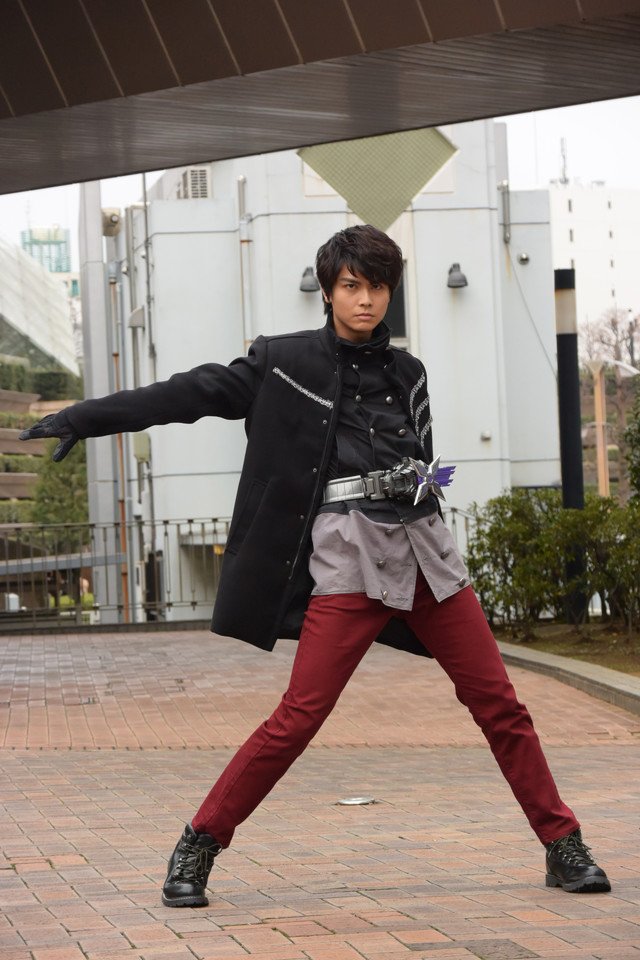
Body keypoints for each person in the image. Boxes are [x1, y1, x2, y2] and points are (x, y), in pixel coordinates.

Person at [21, 225, 610, 905]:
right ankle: (200, 840)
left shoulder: (409, 372)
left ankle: (562, 844)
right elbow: (191, 393)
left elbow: (420, 460)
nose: (366, 300)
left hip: (426, 553)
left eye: (378, 287)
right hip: (348, 555)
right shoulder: (283, 362)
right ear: (329, 290)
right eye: (352, 286)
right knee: (299, 715)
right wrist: (86, 418)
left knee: (500, 704)